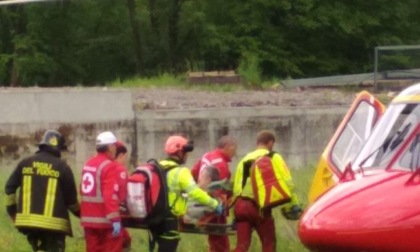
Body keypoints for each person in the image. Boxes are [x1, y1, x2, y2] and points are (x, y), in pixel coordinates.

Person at [5, 129, 80, 252]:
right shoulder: (62, 167)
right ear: (58, 148)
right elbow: (71, 202)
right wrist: (83, 215)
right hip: (54, 227)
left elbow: (9, 189)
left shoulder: (25, 163)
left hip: (28, 223)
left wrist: (13, 213)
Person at [148, 135, 224, 252]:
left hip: (154, 218)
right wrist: (214, 204)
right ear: (179, 153)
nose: (187, 155)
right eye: (185, 152)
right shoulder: (181, 172)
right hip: (170, 220)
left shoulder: (157, 167)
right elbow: (195, 193)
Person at [232, 130, 302, 252]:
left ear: (257, 143)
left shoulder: (244, 159)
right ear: (270, 143)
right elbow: (288, 182)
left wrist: (235, 213)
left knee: (242, 246)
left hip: (241, 207)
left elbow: (237, 188)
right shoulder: (273, 156)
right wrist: (292, 205)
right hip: (259, 208)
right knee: (268, 244)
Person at [191, 135, 237, 252]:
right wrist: (222, 207)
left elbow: (194, 173)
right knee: (220, 240)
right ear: (227, 146)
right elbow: (221, 189)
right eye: (234, 149)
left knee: (214, 238)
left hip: (201, 202)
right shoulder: (221, 164)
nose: (235, 153)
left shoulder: (207, 156)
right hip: (214, 205)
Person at [80, 131, 122, 252]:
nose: (116, 149)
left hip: (88, 220)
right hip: (104, 220)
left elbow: (82, 190)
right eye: (115, 146)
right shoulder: (109, 165)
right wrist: (115, 218)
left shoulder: (88, 163)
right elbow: (110, 195)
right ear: (109, 147)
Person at [114, 141, 131, 251]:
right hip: (114, 214)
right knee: (125, 240)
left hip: (94, 215)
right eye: (125, 157)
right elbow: (123, 196)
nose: (126, 161)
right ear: (120, 155)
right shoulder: (120, 170)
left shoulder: (101, 166)